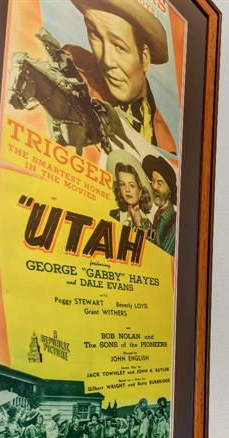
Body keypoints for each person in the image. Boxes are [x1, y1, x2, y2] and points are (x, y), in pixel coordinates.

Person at [66, 0, 177, 152]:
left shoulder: (164, 142)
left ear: (144, 59)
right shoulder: (70, 70)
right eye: (95, 34)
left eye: (119, 46)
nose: (106, 60)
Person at [142, 154, 177, 254]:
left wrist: (142, 222)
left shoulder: (174, 224)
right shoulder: (158, 214)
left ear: (169, 190)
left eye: (160, 183)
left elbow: (162, 257)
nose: (154, 186)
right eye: (153, 180)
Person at [111, 161, 152, 230]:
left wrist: (138, 224)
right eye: (122, 184)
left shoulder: (148, 225)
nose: (127, 189)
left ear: (140, 191)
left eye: (132, 185)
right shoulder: (112, 214)